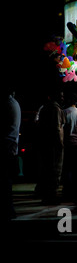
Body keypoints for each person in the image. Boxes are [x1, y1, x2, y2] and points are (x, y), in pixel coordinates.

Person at [35, 89, 65, 205]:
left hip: (46, 143)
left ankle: (47, 195)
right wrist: (60, 144)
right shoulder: (55, 109)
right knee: (55, 170)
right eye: (60, 96)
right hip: (54, 145)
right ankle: (51, 196)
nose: (62, 98)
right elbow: (57, 129)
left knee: (47, 170)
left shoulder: (45, 108)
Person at [62, 92, 77, 206]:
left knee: (67, 169)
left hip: (67, 144)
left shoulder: (64, 112)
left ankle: (67, 192)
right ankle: (76, 193)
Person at [1, 87, 21, 220]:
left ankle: (8, 210)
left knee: (5, 181)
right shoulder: (13, 103)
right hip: (11, 146)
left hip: (7, 146)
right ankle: (8, 209)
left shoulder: (8, 104)